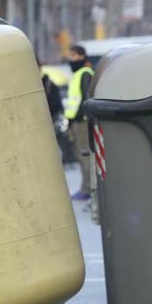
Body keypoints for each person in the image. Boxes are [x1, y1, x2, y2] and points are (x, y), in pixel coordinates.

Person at [64, 45, 94, 200]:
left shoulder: (85, 73)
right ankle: (85, 187)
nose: (71, 59)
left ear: (82, 56)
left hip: (82, 121)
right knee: (80, 155)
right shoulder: (77, 74)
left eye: (74, 55)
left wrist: (81, 116)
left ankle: (88, 189)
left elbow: (86, 98)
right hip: (75, 121)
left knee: (84, 155)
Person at [42, 66, 75, 165]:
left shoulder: (48, 83)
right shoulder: (50, 82)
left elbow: (56, 103)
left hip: (54, 117)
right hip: (55, 116)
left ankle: (63, 160)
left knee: (58, 141)